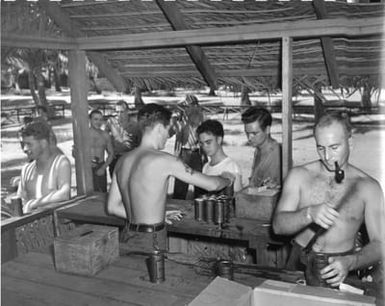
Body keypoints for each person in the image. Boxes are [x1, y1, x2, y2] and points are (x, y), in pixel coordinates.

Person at [272, 112, 384, 289]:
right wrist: (308, 214)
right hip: (299, 265)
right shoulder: (299, 176)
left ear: (350, 143)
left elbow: (380, 244)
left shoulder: (369, 188)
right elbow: (278, 226)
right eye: (320, 148)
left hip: (341, 268)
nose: (327, 156)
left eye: (334, 147)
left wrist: (351, 262)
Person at [107, 103, 233, 252]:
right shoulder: (164, 160)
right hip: (151, 238)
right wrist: (227, 177)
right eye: (168, 130)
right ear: (160, 128)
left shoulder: (123, 160)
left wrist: (155, 215)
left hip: (128, 234)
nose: (168, 135)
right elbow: (212, 185)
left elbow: (112, 207)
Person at [17, 121, 71, 213]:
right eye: (22, 144)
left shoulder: (60, 163)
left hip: (56, 222)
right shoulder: (26, 170)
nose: (25, 149)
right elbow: (20, 198)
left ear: (43, 143)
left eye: (29, 144)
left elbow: (64, 193)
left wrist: (33, 203)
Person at [172, 95, 206, 199]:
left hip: (197, 153)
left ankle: (201, 210)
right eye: (186, 106)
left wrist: (204, 155)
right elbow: (174, 132)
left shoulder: (200, 118)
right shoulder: (180, 119)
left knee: (200, 185)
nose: (187, 108)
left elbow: (204, 137)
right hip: (184, 153)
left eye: (189, 105)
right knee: (180, 185)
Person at [197, 119, 243, 193]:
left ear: (219, 140)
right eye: (201, 143)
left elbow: (238, 199)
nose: (204, 147)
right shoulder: (206, 167)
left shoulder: (232, 166)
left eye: (208, 142)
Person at [241, 107, 281, 188]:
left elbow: (270, 190)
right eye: (247, 133)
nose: (249, 138)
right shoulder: (259, 148)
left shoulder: (275, 154)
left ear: (267, 129)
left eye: (254, 133)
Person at [105, 100, 140, 178]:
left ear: (127, 111)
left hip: (129, 159)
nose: (119, 115)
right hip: (115, 159)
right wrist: (110, 153)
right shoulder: (110, 123)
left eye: (122, 112)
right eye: (117, 112)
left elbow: (140, 143)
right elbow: (105, 140)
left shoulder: (135, 125)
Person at [88, 110, 114, 192]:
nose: (98, 122)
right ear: (90, 120)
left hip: (100, 166)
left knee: (101, 194)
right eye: (96, 119)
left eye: (100, 120)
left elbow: (111, 153)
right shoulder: (84, 135)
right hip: (86, 167)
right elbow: (76, 153)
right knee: (86, 195)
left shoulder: (105, 135)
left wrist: (103, 167)